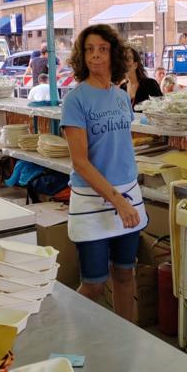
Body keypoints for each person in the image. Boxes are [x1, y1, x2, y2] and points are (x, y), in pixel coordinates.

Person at [61, 24, 147, 321]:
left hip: (128, 194)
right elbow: (80, 162)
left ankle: (127, 338)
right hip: (93, 199)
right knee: (94, 285)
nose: (95, 55)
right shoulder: (75, 100)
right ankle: (69, 332)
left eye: (102, 49)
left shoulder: (121, 97)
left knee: (124, 273)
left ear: (114, 54)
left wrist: (126, 195)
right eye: (89, 50)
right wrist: (117, 201)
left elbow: (120, 144)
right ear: (81, 56)